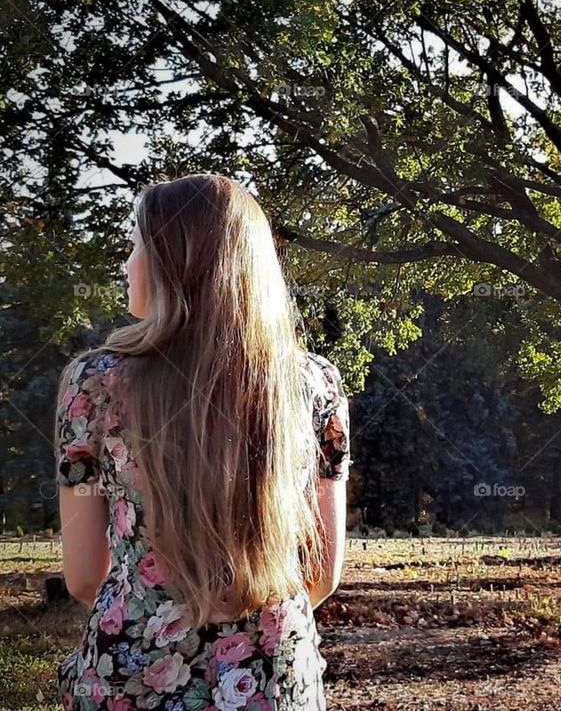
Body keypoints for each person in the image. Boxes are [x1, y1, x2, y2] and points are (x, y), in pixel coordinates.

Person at [54, 173, 350, 710]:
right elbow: (320, 574)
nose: (126, 265)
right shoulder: (313, 384)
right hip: (273, 678)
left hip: (131, 675)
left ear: (175, 262)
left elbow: (83, 576)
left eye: (136, 246)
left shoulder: (95, 384)